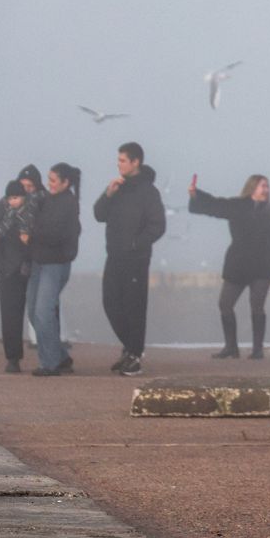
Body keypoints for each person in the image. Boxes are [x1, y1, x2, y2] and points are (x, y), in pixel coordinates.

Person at [188, 173, 270, 359]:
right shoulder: (237, 205)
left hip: (263, 266)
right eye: (262, 185)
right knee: (225, 304)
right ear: (252, 187)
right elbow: (215, 205)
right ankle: (231, 348)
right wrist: (196, 194)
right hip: (239, 263)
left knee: (257, 307)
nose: (266, 189)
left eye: (267, 186)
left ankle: (257, 350)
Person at [94, 142, 165, 376]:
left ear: (136, 162)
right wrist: (108, 193)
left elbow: (158, 225)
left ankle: (134, 355)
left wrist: (136, 244)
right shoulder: (118, 187)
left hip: (136, 259)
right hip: (114, 255)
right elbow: (98, 214)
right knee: (110, 303)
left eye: (123, 160)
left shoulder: (149, 192)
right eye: (118, 160)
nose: (119, 164)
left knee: (134, 306)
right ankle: (131, 348)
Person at [26, 163, 82, 376]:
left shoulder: (69, 203)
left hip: (55, 264)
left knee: (43, 311)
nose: (48, 184)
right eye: (48, 179)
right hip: (38, 262)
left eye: (53, 180)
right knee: (34, 311)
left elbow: (56, 233)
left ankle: (49, 364)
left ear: (65, 183)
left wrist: (31, 232)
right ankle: (60, 356)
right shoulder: (48, 200)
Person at [0, 181, 32, 373]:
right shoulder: (3, 206)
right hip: (9, 271)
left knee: (42, 312)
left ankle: (53, 357)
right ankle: (13, 358)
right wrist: (0, 266)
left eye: (30, 185)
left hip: (33, 267)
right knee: (10, 315)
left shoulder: (36, 205)